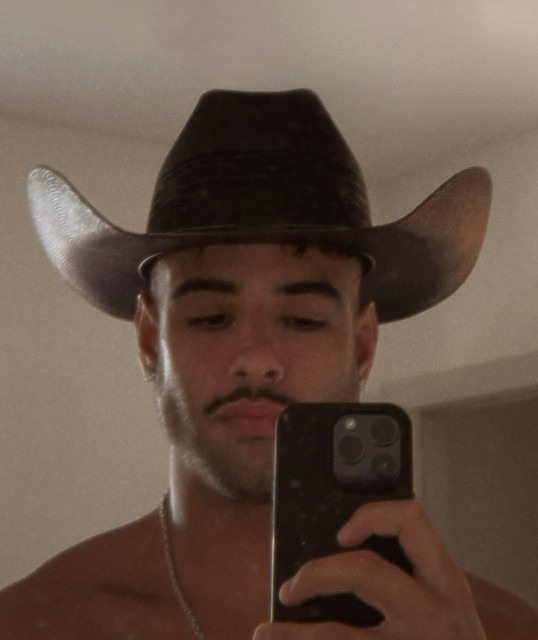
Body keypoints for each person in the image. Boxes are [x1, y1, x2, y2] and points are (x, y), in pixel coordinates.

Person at [1, 89, 537, 639]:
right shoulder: (30, 624)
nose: (256, 360)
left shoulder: (502, 630)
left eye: (302, 320)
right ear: (149, 340)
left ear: (361, 346)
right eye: (212, 317)